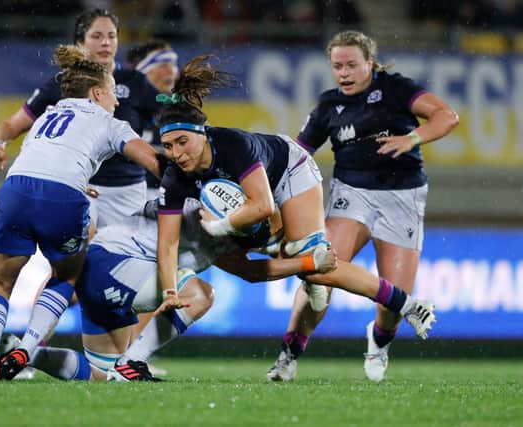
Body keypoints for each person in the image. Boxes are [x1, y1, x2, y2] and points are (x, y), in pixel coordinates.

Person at [152, 55, 437, 350]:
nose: (176, 153)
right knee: (255, 271)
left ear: (202, 132)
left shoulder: (232, 146)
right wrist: (170, 292)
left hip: (288, 171)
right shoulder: (175, 177)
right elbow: (167, 244)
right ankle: (304, 262)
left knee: (314, 263)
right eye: (169, 146)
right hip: (240, 213)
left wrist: (221, 226)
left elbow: (263, 206)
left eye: (182, 141)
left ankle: (408, 304)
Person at [267, 30, 459, 382]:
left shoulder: (397, 89)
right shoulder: (328, 106)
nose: (344, 73)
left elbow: (447, 116)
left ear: (369, 63)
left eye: (352, 65)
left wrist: (411, 138)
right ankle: (288, 355)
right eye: (337, 66)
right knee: (319, 271)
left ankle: (379, 341)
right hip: (350, 194)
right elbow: (296, 156)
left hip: (403, 196)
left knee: (392, 304)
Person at [0, 45, 161, 381]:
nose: (117, 102)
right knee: (67, 276)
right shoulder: (109, 122)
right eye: (112, 94)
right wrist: (192, 183)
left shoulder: (49, 113)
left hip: (15, 188)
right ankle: (27, 349)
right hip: (63, 199)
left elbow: (45, 156)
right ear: (98, 92)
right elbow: (152, 161)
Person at [3, 198, 337, 381]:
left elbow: (253, 261)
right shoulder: (206, 218)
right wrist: (307, 263)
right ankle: (133, 361)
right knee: (202, 295)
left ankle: (25, 354)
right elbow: (251, 268)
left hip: (103, 268)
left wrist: (303, 260)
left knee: (99, 377)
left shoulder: (218, 217)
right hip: (115, 262)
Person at [0, 8, 160, 229]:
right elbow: (12, 125)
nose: (106, 42)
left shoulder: (136, 82)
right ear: (80, 41)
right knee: (78, 246)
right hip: (78, 184)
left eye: (111, 36)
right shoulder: (62, 84)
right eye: (97, 36)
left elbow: (171, 114)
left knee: (125, 258)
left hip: (128, 192)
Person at [125, 39, 179, 201]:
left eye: (173, 63)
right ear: (141, 72)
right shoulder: (121, 110)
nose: (171, 70)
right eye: (162, 64)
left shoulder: (181, 111)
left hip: (169, 196)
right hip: (128, 197)